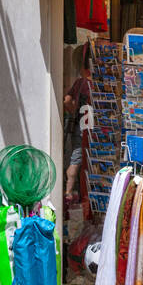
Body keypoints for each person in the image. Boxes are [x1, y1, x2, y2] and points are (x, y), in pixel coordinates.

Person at [63, 53, 93, 199]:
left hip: (79, 125)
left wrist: (74, 111)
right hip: (90, 128)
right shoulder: (94, 84)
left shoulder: (80, 83)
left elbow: (67, 101)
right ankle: (69, 193)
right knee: (82, 161)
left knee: (76, 159)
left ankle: (68, 193)